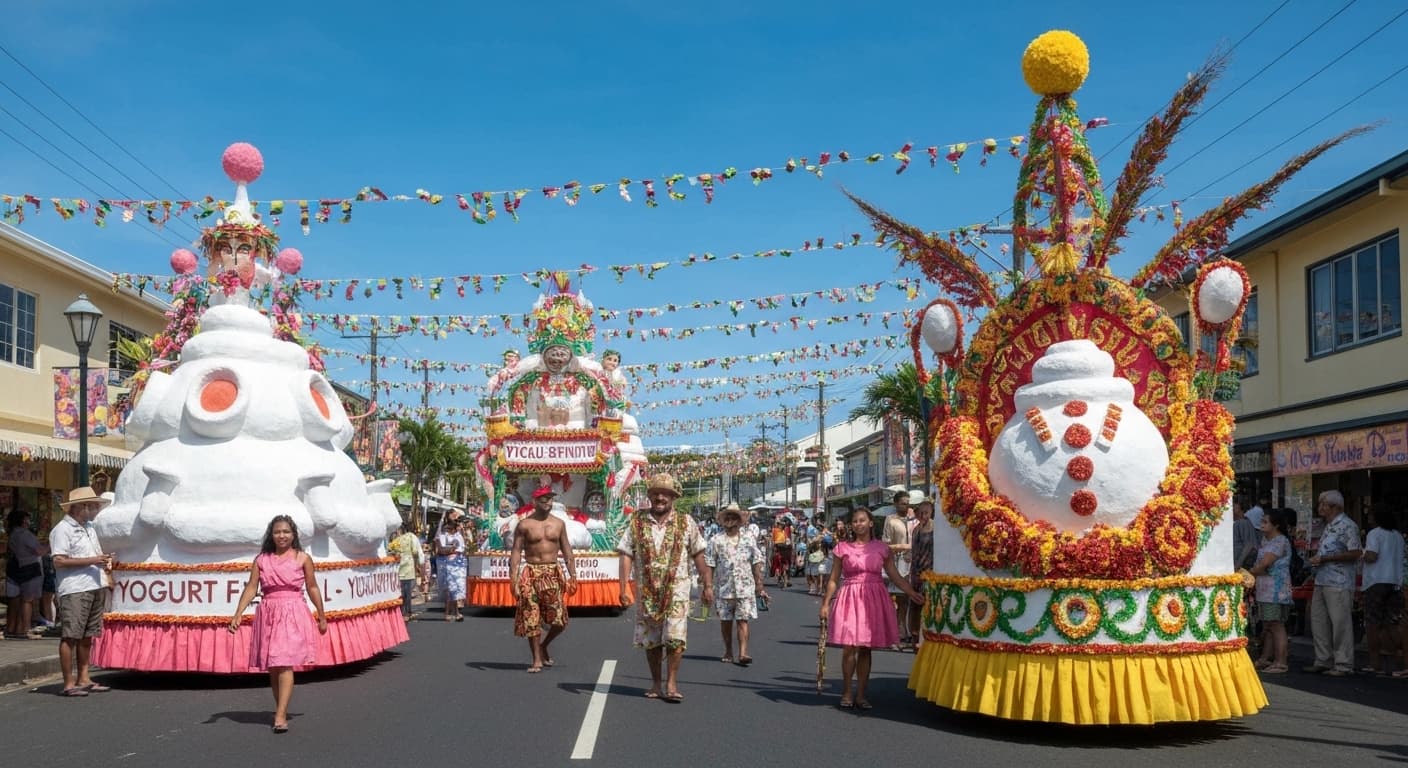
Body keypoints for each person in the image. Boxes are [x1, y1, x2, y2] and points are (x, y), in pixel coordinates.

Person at [228, 516, 328, 733]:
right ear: (271, 535)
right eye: (277, 532)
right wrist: (238, 614)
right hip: (268, 611)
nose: (281, 536)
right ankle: (280, 708)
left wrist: (321, 615)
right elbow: (251, 588)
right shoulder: (261, 560)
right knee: (273, 667)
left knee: (284, 662)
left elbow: (312, 587)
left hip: (292, 611)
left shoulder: (303, 558)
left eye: (286, 532)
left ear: (293, 535)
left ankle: (280, 715)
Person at [617, 473, 711, 702]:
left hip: (677, 590)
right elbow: (626, 554)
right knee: (651, 639)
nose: (660, 497)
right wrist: (623, 588)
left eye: (665, 494)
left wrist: (707, 584)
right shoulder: (636, 521)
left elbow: (699, 553)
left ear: (673, 498)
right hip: (647, 590)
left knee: (676, 638)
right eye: (656, 493)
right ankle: (656, 684)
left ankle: (671, 683)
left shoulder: (686, 522)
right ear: (650, 496)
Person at [820, 506, 925, 709]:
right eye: (855, 521)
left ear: (870, 523)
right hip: (850, 596)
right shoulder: (842, 548)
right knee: (849, 646)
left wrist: (912, 593)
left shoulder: (881, 548)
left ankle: (861, 694)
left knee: (866, 648)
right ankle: (847, 691)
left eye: (862, 520)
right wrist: (825, 603)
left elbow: (894, 575)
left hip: (873, 597)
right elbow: (833, 579)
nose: (858, 524)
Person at [50, 486, 115, 697]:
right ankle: (69, 683)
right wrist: (93, 560)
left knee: (88, 635)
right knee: (71, 635)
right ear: (82, 507)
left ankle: (84, 677)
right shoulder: (62, 529)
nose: (96, 509)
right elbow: (59, 560)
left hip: (94, 584)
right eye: (93, 505)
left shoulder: (89, 528)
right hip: (75, 588)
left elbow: (93, 555)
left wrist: (103, 559)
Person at [510, 487, 578, 673]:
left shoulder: (559, 524)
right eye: (543, 499)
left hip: (552, 574)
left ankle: (543, 645)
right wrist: (513, 578)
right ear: (534, 501)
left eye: (549, 499)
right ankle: (536, 660)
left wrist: (573, 575)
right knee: (531, 616)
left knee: (559, 620)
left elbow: (567, 550)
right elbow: (516, 552)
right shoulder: (524, 525)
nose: (547, 503)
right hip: (531, 573)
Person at [1303, 490, 1362, 676]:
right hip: (1322, 579)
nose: (1320, 508)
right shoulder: (1327, 526)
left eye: (1324, 504)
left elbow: (1355, 552)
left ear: (1335, 507)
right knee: (1319, 621)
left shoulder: (1347, 526)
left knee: (1340, 623)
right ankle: (1323, 659)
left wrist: (1327, 558)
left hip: (1339, 581)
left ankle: (1343, 664)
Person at [705, 503, 766, 665]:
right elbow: (710, 564)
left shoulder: (748, 539)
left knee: (743, 620)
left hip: (745, 587)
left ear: (739, 521)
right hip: (724, 589)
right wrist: (708, 587)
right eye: (728, 518)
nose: (730, 521)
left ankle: (743, 652)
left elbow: (757, 561)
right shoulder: (715, 540)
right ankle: (728, 650)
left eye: (734, 518)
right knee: (725, 622)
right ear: (723, 521)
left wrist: (760, 584)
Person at [1360, 503, 1404, 676]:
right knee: (1391, 623)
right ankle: (1399, 660)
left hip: (1376, 581)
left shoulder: (1374, 533)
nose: (1369, 519)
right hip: (1395, 581)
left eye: (1371, 515)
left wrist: (1361, 554)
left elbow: (1372, 556)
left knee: (1372, 623)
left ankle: (1374, 662)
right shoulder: (1398, 536)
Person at [1248, 509, 1293, 673]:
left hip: (1276, 590)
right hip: (1265, 588)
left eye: (1266, 522)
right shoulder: (1265, 541)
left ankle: (1281, 661)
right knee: (1268, 624)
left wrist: (1250, 573)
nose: (1262, 525)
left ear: (1276, 525)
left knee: (1276, 624)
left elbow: (1265, 563)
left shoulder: (1279, 541)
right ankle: (1265, 658)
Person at [5, 507, 48, 640]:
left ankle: (12, 627)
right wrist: (50, 545)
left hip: (16, 566)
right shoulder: (25, 534)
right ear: (24, 520)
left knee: (15, 600)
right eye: (28, 518)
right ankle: (25, 629)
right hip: (30, 566)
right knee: (27, 600)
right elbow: (39, 551)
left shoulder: (12, 534)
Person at [881, 489, 915, 650]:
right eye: (903, 503)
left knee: (906, 601)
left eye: (907, 503)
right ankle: (894, 634)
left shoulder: (913, 520)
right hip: (896, 562)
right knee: (894, 601)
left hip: (911, 564)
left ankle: (904, 631)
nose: (906, 505)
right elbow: (886, 542)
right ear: (896, 504)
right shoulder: (891, 520)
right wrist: (900, 548)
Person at [908, 499, 935, 646]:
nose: (924, 516)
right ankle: (914, 634)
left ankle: (925, 634)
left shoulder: (935, 528)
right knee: (915, 603)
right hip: (916, 570)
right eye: (921, 513)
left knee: (927, 602)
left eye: (926, 513)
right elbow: (914, 552)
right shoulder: (916, 529)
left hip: (929, 569)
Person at [436, 516, 469, 621]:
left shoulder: (459, 535)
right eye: (447, 528)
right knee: (449, 588)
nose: (448, 530)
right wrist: (451, 550)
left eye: (450, 528)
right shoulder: (442, 535)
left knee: (456, 588)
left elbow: (463, 548)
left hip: (459, 563)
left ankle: (456, 612)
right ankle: (447, 613)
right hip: (447, 563)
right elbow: (441, 549)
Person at [389, 523, 424, 621]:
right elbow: (416, 551)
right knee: (405, 592)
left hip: (402, 566)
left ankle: (404, 612)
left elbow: (416, 551)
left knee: (403, 591)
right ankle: (405, 612)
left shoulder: (403, 538)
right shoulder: (408, 537)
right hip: (405, 566)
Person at [1232, 498, 1260, 571]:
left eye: (1234, 504)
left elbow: (1249, 545)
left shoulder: (1242, 523)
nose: (1232, 507)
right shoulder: (1238, 522)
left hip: (1241, 566)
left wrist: (1238, 565)